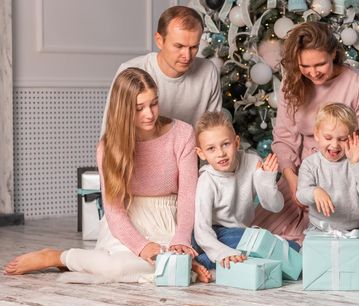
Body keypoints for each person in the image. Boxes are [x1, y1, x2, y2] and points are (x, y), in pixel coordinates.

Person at [5, 68, 211, 283]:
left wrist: (181, 239)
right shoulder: (108, 146)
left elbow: (188, 195)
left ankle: (178, 262)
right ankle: (57, 257)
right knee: (117, 267)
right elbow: (114, 211)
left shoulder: (183, 134)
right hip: (127, 223)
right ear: (123, 110)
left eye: (154, 103)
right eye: (138, 108)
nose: (149, 114)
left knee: (169, 268)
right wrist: (142, 247)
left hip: (169, 220)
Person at [252, 21, 359, 244]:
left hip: (342, 180)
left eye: (319, 64)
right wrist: (293, 181)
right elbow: (283, 138)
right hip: (300, 174)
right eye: (304, 66)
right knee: (263, 238)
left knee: (326, 241)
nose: (312, 73)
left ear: (334, 53)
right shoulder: (292, 83)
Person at [192, 112, 299, 270]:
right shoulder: (206, 181)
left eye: (226, 144)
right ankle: (203, 261)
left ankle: (206, 260)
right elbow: (201, 231)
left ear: (236, 142)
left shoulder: (252, 162)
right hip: (213, 236)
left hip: (241, 233)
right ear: (201, 153)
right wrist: (224, 253)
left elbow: (275, 206)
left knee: (293, 248)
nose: (221, 153)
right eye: (211, 149)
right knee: (264, 244)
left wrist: (266, 180)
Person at [99, 6, 221, 136]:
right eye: (179, 46)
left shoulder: (208, 72)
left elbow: (213, 133)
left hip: (190, 154)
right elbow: (111, 134)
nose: (187, 56)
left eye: (193, 47)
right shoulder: (131, 71)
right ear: (159, 40)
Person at [296, 103, 359, 238]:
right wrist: (315, 191)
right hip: (319, 228)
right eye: (328, 137)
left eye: (342, 139)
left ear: (352, 137)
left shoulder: (357, 163)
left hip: (355, 229)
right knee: (311, 256)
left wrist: (357, 163)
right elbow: (301, 195)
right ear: (317, 135)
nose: (335, 144)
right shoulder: (310, 164)